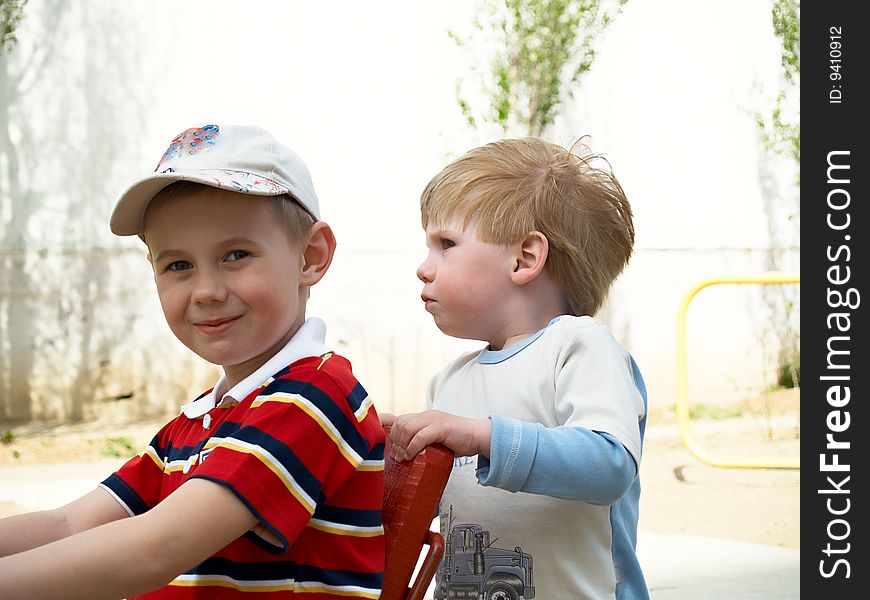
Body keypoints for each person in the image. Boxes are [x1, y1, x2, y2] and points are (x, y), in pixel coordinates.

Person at [0, 124, 385, 599]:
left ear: (310, 255)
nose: (206, 292)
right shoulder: (200, 420)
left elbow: (155, 550)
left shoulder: (312, 397)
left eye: (236, 254)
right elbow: (68, 524)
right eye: (178, 265)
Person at [384, 137, 649, 599]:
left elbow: (609, 464)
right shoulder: (448, 382)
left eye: (446, 243)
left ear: (524, 258)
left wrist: (483, 436)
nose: (423, 269)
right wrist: (389, 459)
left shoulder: (581, 347)